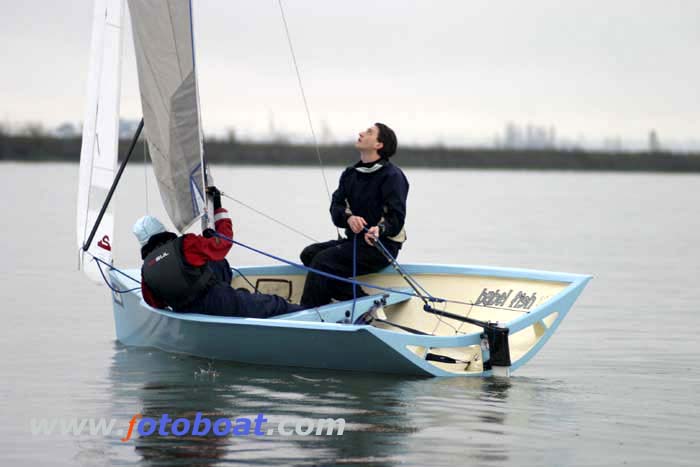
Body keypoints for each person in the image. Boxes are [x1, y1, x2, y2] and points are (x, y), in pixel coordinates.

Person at [133, 186, 304, 318]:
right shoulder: (185, 244)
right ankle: (310, 315)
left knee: (217, 264)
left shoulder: (145, 272)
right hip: (216, 301)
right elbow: (224, 242)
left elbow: (155, 304)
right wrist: (218, 208)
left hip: (186, 312)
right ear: (163, 230)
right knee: (273, 304)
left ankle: (238, 298)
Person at [299, 122, 409, 307]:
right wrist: (348, 219)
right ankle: (360, 300)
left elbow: (396, 218)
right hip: (354, 242)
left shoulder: (393, 176)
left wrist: (379, 229)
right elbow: (336, 206)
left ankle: (308, 311)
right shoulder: (350, 174)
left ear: (379, 145)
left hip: (381, 246)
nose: (361, 133)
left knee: (322, 262)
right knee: (309, 254)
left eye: (369, 132)